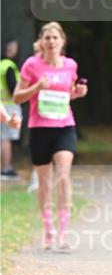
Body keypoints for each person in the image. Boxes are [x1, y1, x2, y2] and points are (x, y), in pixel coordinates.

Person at [13, 22, 87, 251]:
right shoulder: (32, 64)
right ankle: (48, 229)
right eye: (47, 38)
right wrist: (36, 86)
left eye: (55, 37)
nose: (51, 41)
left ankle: (63, 232)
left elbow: (66, 95)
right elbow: (17, 97)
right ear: (41, 42)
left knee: (63, 176)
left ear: (62, 41)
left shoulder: (70, 65)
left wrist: (77, 93)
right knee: (44, 182)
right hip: (39, 128)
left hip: (65, 126)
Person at [1, 38, 21, 178]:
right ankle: (6, 168)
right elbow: (13, 88)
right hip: (8, 105)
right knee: (6, 138)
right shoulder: (9, 66)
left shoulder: (1, 64)